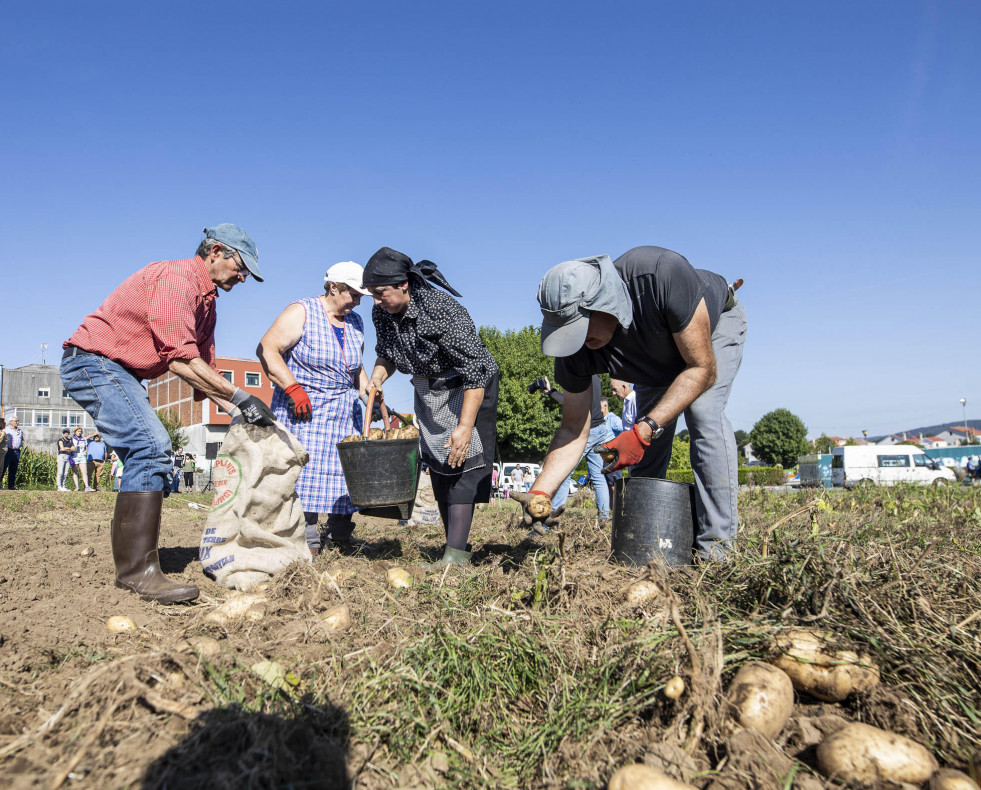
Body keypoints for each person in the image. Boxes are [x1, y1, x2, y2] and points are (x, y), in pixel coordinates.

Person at [60, 224, 275, 604]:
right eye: (241, 267)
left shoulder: (207, 302)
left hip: (120, 372)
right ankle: (136, 572)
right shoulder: (177, 279)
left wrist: (239, 413)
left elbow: (201, 375)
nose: (243, 277)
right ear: (215, 252)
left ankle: (133, 563)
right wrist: (242, 396)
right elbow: (179, 360)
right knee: (150, 446)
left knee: (148, 450)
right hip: (94, 363)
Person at [524, 248, 747, 561]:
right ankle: (643, 545)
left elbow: (701, 369)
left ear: (603, 302)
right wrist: (540, 491)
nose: (577, 341)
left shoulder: (658, 275)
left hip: (711, 332)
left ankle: (718, 551)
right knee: (647, 450)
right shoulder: (575, 350)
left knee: (703, 414)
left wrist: (645, 428)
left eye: (580, 327)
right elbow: (574, 428)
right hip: (654, 366)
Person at [363, 247, 499, 567]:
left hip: (468, 386)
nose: (375, 301)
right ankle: (452, 550)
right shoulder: (383, 312)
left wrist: (464, 428)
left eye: (380, 293)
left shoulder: (441, 310)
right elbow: (387, 353)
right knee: (439, 465)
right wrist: (378, 377)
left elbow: (474, 372)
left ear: (403, 285)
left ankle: (456, 558)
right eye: (371, 294)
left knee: (460, 462)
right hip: (428, 388)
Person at [258, 260, 373, 556]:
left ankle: (341, 534)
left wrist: (369, 389)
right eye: (353, 294)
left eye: (361, 297)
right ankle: (305, 536)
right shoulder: (302, 311)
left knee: (346, 473)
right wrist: (293, 388)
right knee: (304, 475)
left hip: (343, 411)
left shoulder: (355, 322)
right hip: (305, 411)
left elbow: (355, 367)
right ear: (333, 287)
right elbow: (268, 348)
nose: (358, 302)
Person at [530, 374, 613, 521]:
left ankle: (553, 518)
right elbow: (570, 401)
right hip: (600, 427)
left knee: (565, 472)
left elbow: (571, 404)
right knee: (598, 476)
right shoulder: (594, 376)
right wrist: (551, 392)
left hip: (586, 430)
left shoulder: (576, 375)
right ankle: (604, 516)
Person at [599, 396, 624, 501]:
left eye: (597, 406)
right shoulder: (601, 420)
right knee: (606, 485)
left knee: (614, 484)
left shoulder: (613, 419)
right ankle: (609, 512)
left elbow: (624, 431)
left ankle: (617, 511)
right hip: (603, 455)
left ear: (605, 406)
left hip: (611, 455)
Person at [1, 416, 25, 489]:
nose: (17, 422)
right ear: (10, 422)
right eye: (15, 421)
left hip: (17, 451)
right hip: (8, 450)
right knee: (3, 468)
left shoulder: (19, 430)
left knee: (13, 469)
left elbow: (22, 439)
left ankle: (11, 486)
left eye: (18, 421)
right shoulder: (6, 430)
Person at [70, 427, 93, 491]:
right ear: (75, 432)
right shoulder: (72, 439)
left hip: (82, 457)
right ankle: (77, 487)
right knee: (75, 472)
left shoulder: (83, 439)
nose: (79, 432)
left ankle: (87, 487)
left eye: (80, 431)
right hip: (75, 456)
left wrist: (86, 451)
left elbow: (86, 447)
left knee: (84, 472)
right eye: (78, 431)